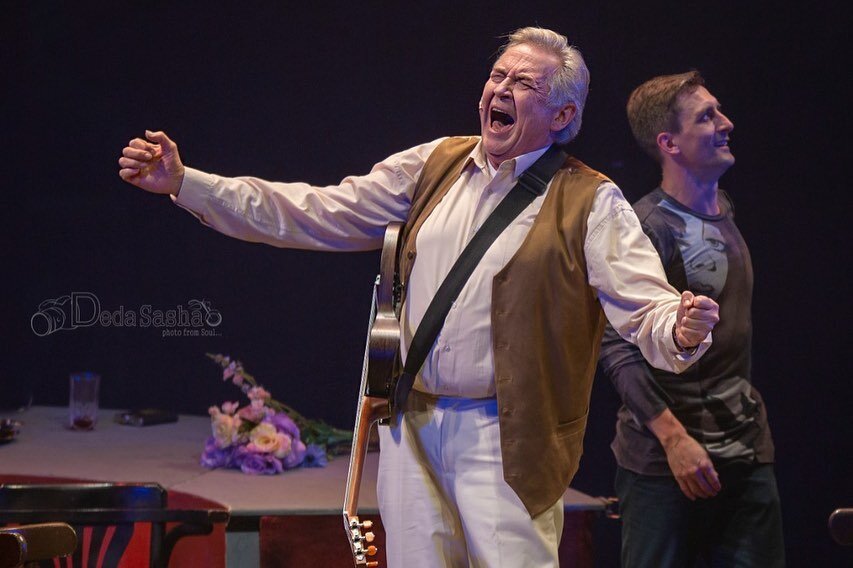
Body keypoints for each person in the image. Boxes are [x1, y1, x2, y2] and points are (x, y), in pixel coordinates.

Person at [119, 28, 720, 568]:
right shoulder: (436, 164)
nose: (501, 89)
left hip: (506, 438)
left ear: (562, 115)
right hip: (412, 426)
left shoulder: (589, 199)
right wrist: (188, 184)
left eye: (524, 84)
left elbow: (646, 306)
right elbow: (313, 210)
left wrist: (680, 326)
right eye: (498, 76)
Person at [599, 71, 784, 567]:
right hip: (664, 464)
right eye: (706, 117)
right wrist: (674, 438)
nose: (726, 123)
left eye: (718, 111)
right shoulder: (647, 227)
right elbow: (615, 347)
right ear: (669, 143)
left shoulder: (724, 207)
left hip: (744, 451)